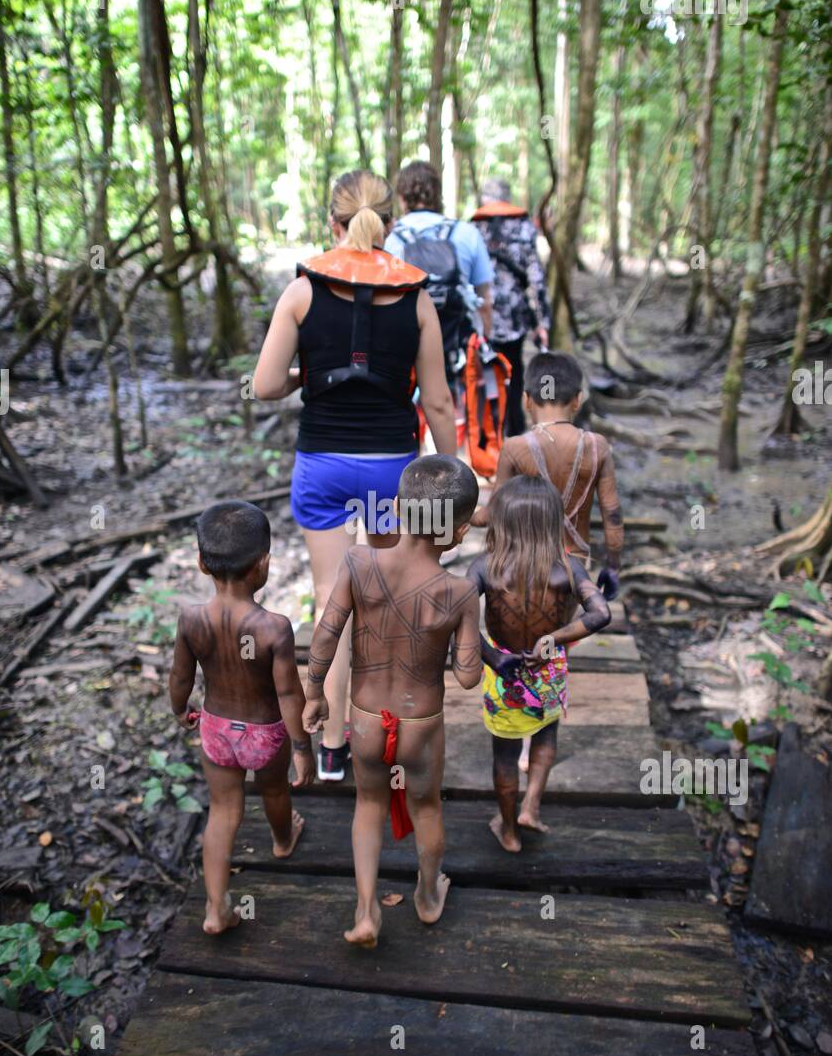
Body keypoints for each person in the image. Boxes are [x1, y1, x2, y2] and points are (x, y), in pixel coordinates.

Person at [255, 170, 456, 783]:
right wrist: (453, 475)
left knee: (332, 603)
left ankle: (334, 747)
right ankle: (387, 736)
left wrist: (307, 377)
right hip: (392, 472)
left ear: (332, 224)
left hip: (322, 468)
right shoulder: (417, 297)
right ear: (388, 226)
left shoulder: (301, 292)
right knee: (388, 604)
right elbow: (440, 404)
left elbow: (264, 386)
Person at [302, 456, 482, 948]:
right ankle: (426, 897)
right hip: (420, 724)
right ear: (460, 531)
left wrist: (314, 693)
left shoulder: (358, 563)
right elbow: (467, 677)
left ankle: (365, 910)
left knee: (368, 803)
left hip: (364, 719)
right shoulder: (461, 592)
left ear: (399, 508)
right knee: (425, 807)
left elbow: (326, 634)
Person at [168, 501, 314, 935]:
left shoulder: (191, 619)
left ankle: (216, 909)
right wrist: (302, 748)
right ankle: (284, 840)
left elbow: (181, 676)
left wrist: (180, 710)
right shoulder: (274, 627)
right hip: (265, 733)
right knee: (273, 791)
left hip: (216, 728)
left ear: (200, 562)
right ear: (264, 564)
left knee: (223, 811)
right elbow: (289, 692)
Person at [467, 476, 611, 853]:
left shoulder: (485, 567)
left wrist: (494, 656)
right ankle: (531, 806)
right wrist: (554, 639)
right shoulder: (569, 567)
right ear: (552, 521)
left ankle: (510, 830)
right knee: (547, 734)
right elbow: (601, 612)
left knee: (505, 754)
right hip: (549, 669)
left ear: (501, 522)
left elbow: (458, 620)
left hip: (504, 673)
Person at [473, 352, 623, 599]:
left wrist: (460, 515)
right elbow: (612, 514)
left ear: (526, 400)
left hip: (520, 568)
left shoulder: (515, 448)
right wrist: (613, 567)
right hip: (572, 570)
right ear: (578, 401)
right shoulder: (598, 447)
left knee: (517, 634)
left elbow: (492, 513)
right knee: (563, 634)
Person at [385, 160, 494, 414]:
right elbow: (485, 301)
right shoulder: (467, 233)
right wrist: (484, 344)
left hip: (402, 359)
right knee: (458, 422)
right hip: (458, 354)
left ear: (402, 197)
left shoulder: (388, 237)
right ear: (437, 194)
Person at [470, 178, 551, 437]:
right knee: (514, 380)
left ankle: (487, 445)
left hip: (480, 321)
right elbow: (536, 279)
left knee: (484, 380)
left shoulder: (472, 229)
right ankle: (516, 439)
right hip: (515, 321)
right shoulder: (524, 226)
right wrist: (541, 323)